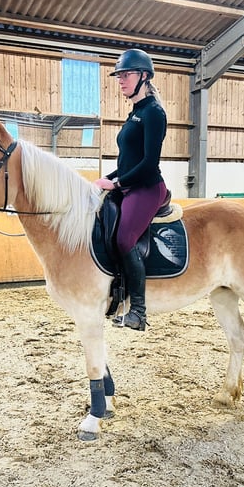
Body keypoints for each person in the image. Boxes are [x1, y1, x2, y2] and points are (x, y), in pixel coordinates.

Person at [95, 49, 170, 332]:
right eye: (119, 76)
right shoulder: (135, 112)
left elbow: (149, 164)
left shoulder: (153, 113)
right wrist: (107, 178)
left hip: (148, 187)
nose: (121, 80)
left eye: (126, 75)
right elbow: (127, 161)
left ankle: (138, 311)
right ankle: (115, 290)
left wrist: (115, 183)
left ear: (144, 76)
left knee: (126, 238)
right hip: (129, 185)